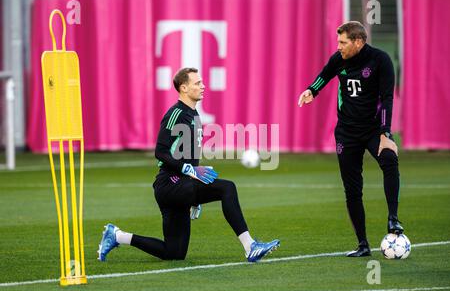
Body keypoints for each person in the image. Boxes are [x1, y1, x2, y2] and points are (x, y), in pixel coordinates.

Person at [98, 67, 280, 263]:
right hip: (169, 184)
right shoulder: (176, 113)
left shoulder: (193, 115)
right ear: (184, 88)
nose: (203, 86)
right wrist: (188, 171)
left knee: (174, 253)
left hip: (178, 186)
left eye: (201, 82)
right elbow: (160, 151)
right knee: (227, 188)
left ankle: (117, 236)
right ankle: (249, 246)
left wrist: (194, 192)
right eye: (197, 83)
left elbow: (188, 157)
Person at [297, 21, 403, 257]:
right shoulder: (339, 59)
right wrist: (311, 91)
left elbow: (387, 98)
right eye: (338, 42)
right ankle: (363, 244)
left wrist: (386, 132)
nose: (339, 46)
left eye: (343, 42)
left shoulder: (380, 60)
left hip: (374, 129)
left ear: (358, 41)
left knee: (389, 160)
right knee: (352, 189)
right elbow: (324, 76)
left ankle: (393, 219)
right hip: (346, 132)